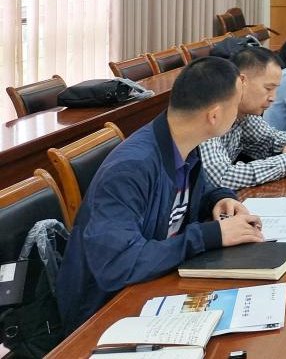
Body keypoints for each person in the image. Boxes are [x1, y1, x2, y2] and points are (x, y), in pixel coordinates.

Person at [56, 57, 264, 332]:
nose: (238, 113)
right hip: (104, 313)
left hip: (154, 283)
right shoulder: (131, 168)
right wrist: (210, 235)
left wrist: (219, 198)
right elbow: (117, 264)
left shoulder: (182, 141)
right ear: (213, 116)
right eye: (235, 106)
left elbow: (188, 197)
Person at [200, 47, 286, 189]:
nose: (273, 98)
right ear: (241, 82)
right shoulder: (209, 113)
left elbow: (270, 139)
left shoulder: (245, 115)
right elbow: (222, 178)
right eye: (268, 88)